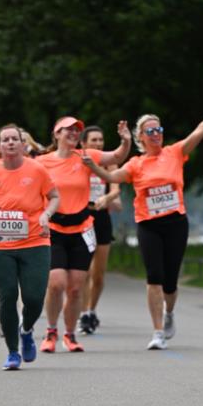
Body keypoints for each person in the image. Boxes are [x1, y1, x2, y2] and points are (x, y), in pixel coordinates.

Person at [84, 89, 203, 349]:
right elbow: (111, 178)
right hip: (148, 225)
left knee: (170, 281)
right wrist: (93, 167)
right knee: (153, 276)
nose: (156, 134)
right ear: (141, 138)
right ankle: (157, 332)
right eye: (150, 131)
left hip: (176, 223)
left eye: (158, 129)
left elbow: (200, 131)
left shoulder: (175, 152)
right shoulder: (135, 164)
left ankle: (169, 314)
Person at [36, 116, 131, 352]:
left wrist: (126, 141)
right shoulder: (42, 162)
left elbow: (117, 157)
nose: (73, 133)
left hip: (81, 229)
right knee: (56, 283)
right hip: (54, 229)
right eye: (67, 130)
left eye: (76, 130)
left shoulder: (86, 156)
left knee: (76, 287)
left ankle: (69, 334)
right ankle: (51, 331)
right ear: (56, 134)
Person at [0, 124, 59, 370]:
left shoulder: (37, 170)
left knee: (34, 298)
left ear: (22, 144)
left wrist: (46, 215)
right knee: (7, 296)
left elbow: (54, 197)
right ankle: (12, 352)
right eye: (5, 140)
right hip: (0, 245)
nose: (10, 143)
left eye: (14, 139)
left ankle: (27, 329)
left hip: (35, 241)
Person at [77, 124, 123, 335]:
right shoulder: (78, 162)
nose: (98, 144)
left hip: (101, 217)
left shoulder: (108, 164)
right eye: (93, 140)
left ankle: (92, 309)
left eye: (100, 140)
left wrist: (108, 197)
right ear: (83, 143)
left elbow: (116, 188)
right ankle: (83, 314)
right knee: (83, 272)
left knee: (99, 274)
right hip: (81, 216)